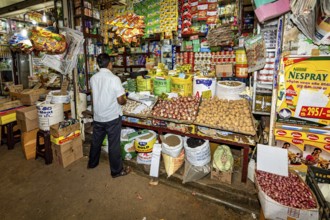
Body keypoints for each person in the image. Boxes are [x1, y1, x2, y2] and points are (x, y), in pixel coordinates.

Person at [87, 53, 131, 178]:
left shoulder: (93, 78)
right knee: (114, 145)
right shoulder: (114, 79)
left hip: (98, 116)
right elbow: (121, 101)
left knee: (96, 141)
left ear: (98, 64)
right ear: (110, 64)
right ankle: (116, 171)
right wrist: (125, 98)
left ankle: (92, 163)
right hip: (112, 117)